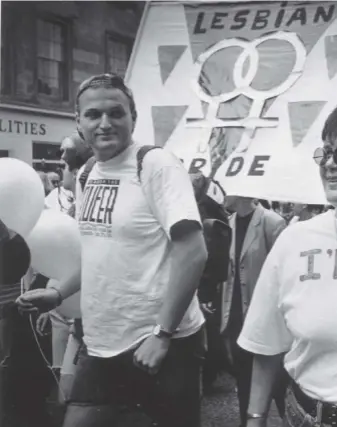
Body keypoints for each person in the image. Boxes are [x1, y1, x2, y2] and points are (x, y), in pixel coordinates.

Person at [17, 73, 207, 427]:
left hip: (161, 344)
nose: (104, 123)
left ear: (132, 117)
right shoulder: (89, 172)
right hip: (101, 342)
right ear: (78, 122)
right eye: (93, 115)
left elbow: (193, 252)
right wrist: (58, 293)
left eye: (116, 113)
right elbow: (96, 255)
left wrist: (161, 334)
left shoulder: (156, 165)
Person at [238, 103, 337, 427]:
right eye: (324, 153)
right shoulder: (294, 242)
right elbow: (266, 345)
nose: (328, 164)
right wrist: (254, 419)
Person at [37, 133, 93, 405]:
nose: (59, 163)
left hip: (90, 318)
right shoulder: (66, 206)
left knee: (75, 398)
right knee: (66, 394)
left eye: (64, 156)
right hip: (72, 315)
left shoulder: (86, 191)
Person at [221, 196, 287, 427]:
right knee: (244, 380)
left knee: (276, 383)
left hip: (264, 315)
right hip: (235, 316)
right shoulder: (227, 223)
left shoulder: (271, 222)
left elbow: (283, 272)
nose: (223, 194)